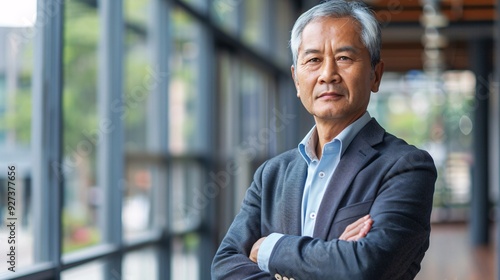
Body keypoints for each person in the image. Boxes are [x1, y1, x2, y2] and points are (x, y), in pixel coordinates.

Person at [211, 0, 437, 279]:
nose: (327, 74)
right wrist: (331, 256)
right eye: (313, 60)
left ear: (375, 75)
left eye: (344, 58)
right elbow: (224, 267)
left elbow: (366, 268)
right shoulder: (271, 175)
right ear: (296, 80)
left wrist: (270, 248)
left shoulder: (406, 167)